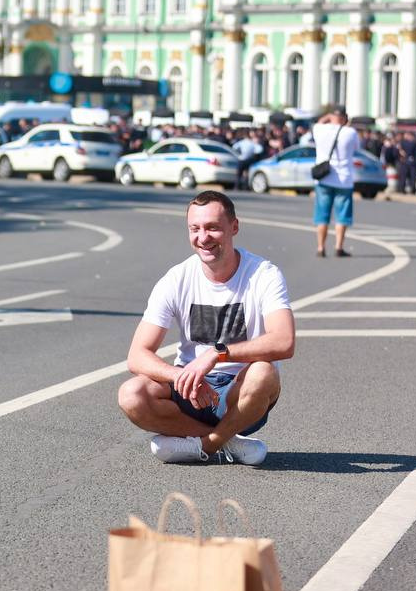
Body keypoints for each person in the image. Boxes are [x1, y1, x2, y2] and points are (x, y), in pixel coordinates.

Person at [117, 191, 295, 465]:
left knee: (263, 372)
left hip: (241, 392)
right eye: (195, 228)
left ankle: (209, 445)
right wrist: (179, 376)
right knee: (131, 394)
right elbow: (137, 355)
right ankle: (228, 440)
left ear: (234, 227)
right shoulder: (176, 279)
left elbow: (283, 341)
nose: (203, 237)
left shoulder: (263, 274)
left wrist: (217, 354)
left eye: (213, 227)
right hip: (191, 393)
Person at [310, 106, 360, 257]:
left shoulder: (320, 129)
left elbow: (319, 122)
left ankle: (320, 247)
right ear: (345, 118)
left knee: (322, 215)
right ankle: (338, 246)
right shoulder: (351, 132)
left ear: (332, 116)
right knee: (342, 215)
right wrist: (346, 125)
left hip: (324, 179)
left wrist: (328, 117)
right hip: (344, 179)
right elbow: (357, 148)